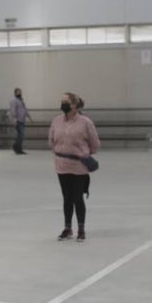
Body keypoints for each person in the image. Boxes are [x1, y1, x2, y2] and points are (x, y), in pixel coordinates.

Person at [48, 92, 100, 242]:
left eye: (66, 102)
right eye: (61, 101)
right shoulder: (56, 121)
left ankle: (81, 229)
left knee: (78, 198)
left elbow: (95, 144)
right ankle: (67, 227)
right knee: (67, 198)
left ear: (75, 105)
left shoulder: (85, 122)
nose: (62, 105)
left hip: (79, 166)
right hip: (62, 165)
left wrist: (83, 153)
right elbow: (51, 140)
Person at [8, 87, 31, 154]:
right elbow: (13, 111)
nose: (19, 93)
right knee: (21, 135)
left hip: (22, 120)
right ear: (15, 93)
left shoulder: (21, 100)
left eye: (20, 92)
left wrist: (29, 117)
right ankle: (17, 147)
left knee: (20, 135)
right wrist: (14, 120)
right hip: (18, 120)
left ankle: (17, 147)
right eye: (18, 92)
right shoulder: (13, 101)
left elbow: (24, 110)